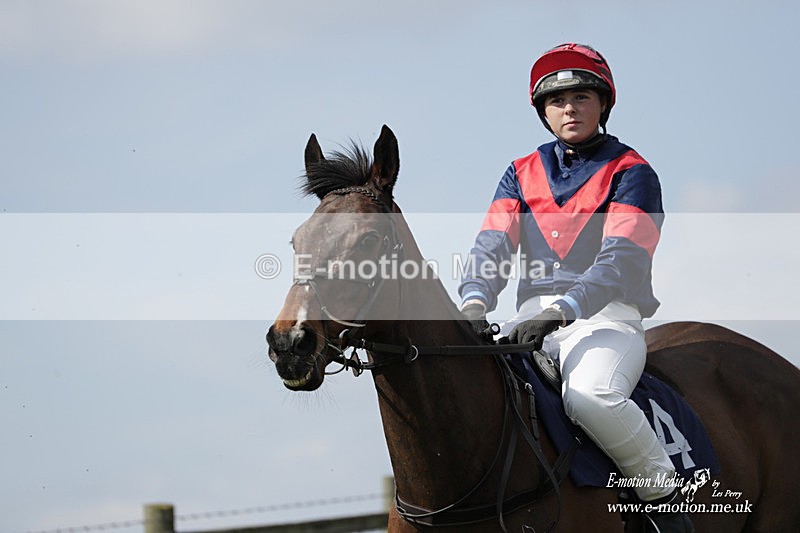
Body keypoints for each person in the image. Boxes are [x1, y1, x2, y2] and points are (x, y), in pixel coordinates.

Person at [458, 43, 692, 532]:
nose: (570, 108)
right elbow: (491, 244)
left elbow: (623, 261)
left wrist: (563, 310)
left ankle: (670, 508)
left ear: (602, 104)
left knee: (590, 396)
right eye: (557, 100)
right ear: (543, 111)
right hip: (529, 324)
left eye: (582, 96)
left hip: (605, 319)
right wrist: (475, 301)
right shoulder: (520, 172)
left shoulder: (633, 172)